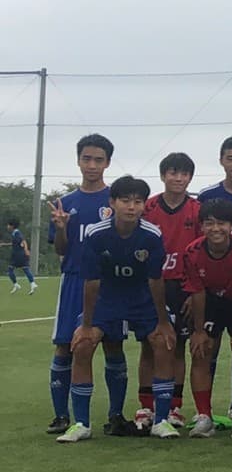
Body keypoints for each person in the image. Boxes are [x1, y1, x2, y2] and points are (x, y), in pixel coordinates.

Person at [57, 176, 174, 443]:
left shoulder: (152, 235)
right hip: (107, 298)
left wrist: (163, 321)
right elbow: (92, 281)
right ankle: (81, 424)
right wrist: (87, 325)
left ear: (144, 205)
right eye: (125, 200)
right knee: (83, 345)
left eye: (138, 201)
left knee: (163, 342)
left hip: (141, 298)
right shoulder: (96, 233)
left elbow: (155, 280)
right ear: (112, 202)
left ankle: (161, 421)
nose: (131, 207)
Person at [46, 133, 115, 435]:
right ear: (78, 161)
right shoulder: (65, 203)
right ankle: (61, 415)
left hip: (109, 285)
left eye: (98, 160)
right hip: (74, 280)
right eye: (87, 159)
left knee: (113, 344)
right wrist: (62, 228)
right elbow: (61, 249)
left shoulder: (115, 201)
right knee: (65, 345)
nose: (92, 165)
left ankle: (115, 415)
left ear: (107, 163)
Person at [180, 200, 232, 438]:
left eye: (222, 223)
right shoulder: (192, 252)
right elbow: (197, 292)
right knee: (200, 352)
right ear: (201, 226)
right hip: (210, 303)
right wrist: (198, 331)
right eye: (209, 223)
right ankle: (204, 417)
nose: (215, 229)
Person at [136, 151, 198, 430]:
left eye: (184, 173)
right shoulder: (148, 207)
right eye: (173, 173)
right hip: (151, 285)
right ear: (163, 176)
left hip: (182, 286)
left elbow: (200, 253)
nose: (178, 178)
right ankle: (146, 406)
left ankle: (174, 407)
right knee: (149, 346)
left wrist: (194, 292)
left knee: (178, 347)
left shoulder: (197, 209)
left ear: (190, 177)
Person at [7, 216, 33, 293]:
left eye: (8, 225)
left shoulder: (17, 233)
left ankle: (17, 285)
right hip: (18, 255)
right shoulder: (14, 233)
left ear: (12, 226)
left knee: (10, 270)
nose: (7, 226)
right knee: (25, 269)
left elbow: (23, 241)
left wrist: (26, 250)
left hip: (18, 255)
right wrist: (4, 244)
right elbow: (16, 243)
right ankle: (32, 284)